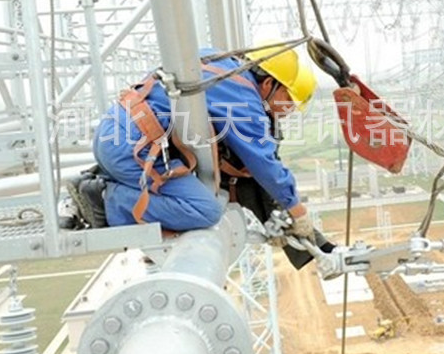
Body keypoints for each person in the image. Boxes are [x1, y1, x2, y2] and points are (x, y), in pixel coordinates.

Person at [67, 45, 320, 254]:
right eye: (288, 100)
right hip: (133, 152)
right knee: (205, 210)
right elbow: (264, 164)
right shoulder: (244, 100)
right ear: (269, 84)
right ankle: (104, 200)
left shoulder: (220, 64)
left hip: (115, 135)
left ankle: (95, 182)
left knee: (183, 182)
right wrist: (297, 210)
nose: (287, 112)